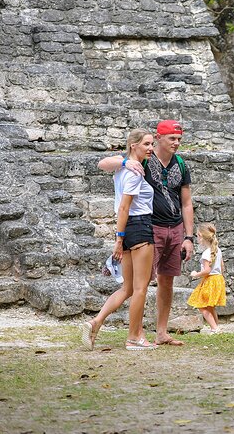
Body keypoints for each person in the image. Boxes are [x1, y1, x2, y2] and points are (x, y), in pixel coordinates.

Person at [97, 120, 194, 346]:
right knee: (140, 284)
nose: (177, 143)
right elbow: (104, 163)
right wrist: (124, 161)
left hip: (175, 226)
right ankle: (136, 333)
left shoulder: (180, 164)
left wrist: (188, 237)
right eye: (172, 138)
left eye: (179, 139)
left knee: (165, 280)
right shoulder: (144, 161)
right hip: (150, 227)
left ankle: (161, 332)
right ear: (159, 138)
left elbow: (187, 202)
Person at [82, 128, 156, 351]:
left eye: (152, 144)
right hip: (140, 226)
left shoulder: (122, 167)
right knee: (141, 288)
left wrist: (121, 237)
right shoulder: (134, 171)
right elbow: (124, 207)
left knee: (128, 288)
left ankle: (95, 322)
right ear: (134, 145)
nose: (151, 148)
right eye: (146, 144)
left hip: (129, 230)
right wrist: (118, 238)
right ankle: (134, 338)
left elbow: (105, 164)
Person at [187, 223, 226, 334]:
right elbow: (222, 267)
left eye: (197, 236)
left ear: (200, 235)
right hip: (218, 279)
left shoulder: (206, 253)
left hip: (210, 280)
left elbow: (207, 271)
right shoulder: (218, 250)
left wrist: (196, 274)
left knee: (201, 305)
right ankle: (216, 327)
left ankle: (214, 328)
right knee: (210, 306)